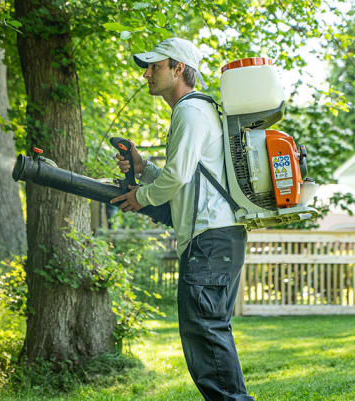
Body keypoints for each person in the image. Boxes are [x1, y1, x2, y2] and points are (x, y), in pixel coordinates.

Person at [110, 37, 254, 401]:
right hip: (218, 237)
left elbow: (176, 179)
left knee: (204, 333)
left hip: (210, 240)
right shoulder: (195, 111)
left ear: (178, 69)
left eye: (154, 66)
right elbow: (185, 179)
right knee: (208, 334)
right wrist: (143, 169)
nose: (146, 74)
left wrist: (139, 196)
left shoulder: (190, 111)